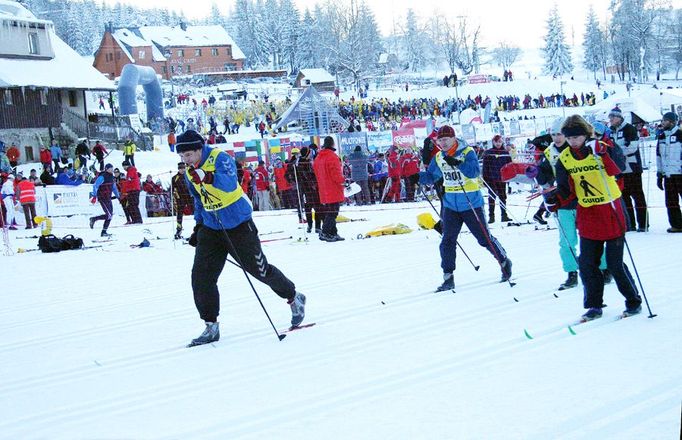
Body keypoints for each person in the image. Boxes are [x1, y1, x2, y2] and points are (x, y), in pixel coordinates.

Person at [175, 130, 306, 347]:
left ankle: (294, 297)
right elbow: (198, 199)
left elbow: (228, 184)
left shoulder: (219, 158)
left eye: (188, 155)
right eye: (182, 157)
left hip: (238, 224)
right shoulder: (190, 172)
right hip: (211, 227)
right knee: (201, 277)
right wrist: (198, 226)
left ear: (199, 149)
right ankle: (210, 325)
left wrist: (207, 176)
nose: (185, 160)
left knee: (260, 270)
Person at [420, 125, 512, 291]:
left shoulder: (467, 152)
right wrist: (416, 177)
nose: (443, 143)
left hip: (471, 203)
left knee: (483, 238)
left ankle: (504, 260)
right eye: (440, 140)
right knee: (447, 241)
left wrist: (458, 163)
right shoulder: (439, 157)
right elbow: (432, 176)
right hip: (450, 206)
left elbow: (474, 172)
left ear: (454, 138)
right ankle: (448, 277)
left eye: (446, 139)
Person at [533, 118, 610, 290]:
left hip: (585, 200)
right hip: (563, 202)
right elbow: (546, 176)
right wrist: (536, 173)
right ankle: (571, 272)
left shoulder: (578, 148)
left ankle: (604, 268)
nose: (557, 138)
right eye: (553, 134)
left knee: (594, 236)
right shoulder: (549, 152)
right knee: (566, 240)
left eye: (559, 134)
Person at [608, 106, 648, 231]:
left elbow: (633, 147)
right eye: (610, 117)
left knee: (637, 196)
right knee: (624, 197)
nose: (610, 120)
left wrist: (617, 153)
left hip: (632, 167)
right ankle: (629, 224)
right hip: (619, 170)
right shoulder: (610, 130)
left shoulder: (630, 129)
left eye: (612, 117)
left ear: (619, 117)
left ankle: (643, 223)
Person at [313, 136, 346, 242]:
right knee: (333, 212)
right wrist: (343, 181)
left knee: (330, 211)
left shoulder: (318, 157)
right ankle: (325, 232)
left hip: (323, 188)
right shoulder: (332, 157)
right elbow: (336, 174)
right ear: (333, 144)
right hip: (333, 188)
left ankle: (333, 233)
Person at [655, 112, 682, 233]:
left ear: (672, 122)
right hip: (668, 174)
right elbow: (659, 156)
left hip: (680, 173)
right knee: (671, 201)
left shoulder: (680, 134)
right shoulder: (661, 137)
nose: (662, 123)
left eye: (665, 120)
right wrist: (659, 174)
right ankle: (677, 225)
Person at [288, 146, 322, 233]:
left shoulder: (297, 163)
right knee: (317, 208)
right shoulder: (306, 163)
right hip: (311, 189)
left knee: (308, 208)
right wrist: (314, 184)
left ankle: (309, 226)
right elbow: (309, 175)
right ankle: (317, 227)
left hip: (303, 189)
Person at [482, 135, 512, 223]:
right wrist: (485, 179)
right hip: (491, 179)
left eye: (499, 141)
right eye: (496, 142)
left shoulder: (505, 152)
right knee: (492, 197)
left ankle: (504, 215)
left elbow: (509, 165)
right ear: (493, 142)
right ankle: (491, 216)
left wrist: (510, 177)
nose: (498, 143)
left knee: (503, 197)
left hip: (502, 179)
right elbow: (485, 167)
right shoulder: (488, 153)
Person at [89, 164, 120, 237]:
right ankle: (93, 219)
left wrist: (118, 196)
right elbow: (95, 185)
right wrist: (94, 195)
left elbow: (114, 188)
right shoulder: (102, 176)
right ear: (106, 169)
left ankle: (104, 232)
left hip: (108, 198)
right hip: (102, 197)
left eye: (112, 168)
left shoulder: (112, 177)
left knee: (110, 215)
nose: (112, 170)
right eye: (110, 168)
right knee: (109, 215)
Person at [172, 162, 194, 239]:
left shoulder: (189, 175)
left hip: (189, 197)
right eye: (181, 168)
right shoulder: (175, 178)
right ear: (178, 169)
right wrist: (175, 196)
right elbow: (172, 189)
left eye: (183, 168)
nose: (182, 170)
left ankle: (199, 227)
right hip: (180, 198)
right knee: (179, 214)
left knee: (195, 212)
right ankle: (179, 229)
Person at [121, 160, 142, 224]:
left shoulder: (131, 170)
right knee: (131, 205)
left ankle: (138, 220)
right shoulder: (130, 171)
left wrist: (128, 179)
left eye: (124, 166)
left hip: (134, 190)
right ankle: (135, 220)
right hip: (131, 190)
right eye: (123, 166)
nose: (124, 168)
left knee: (133, 205)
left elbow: (129, 179)